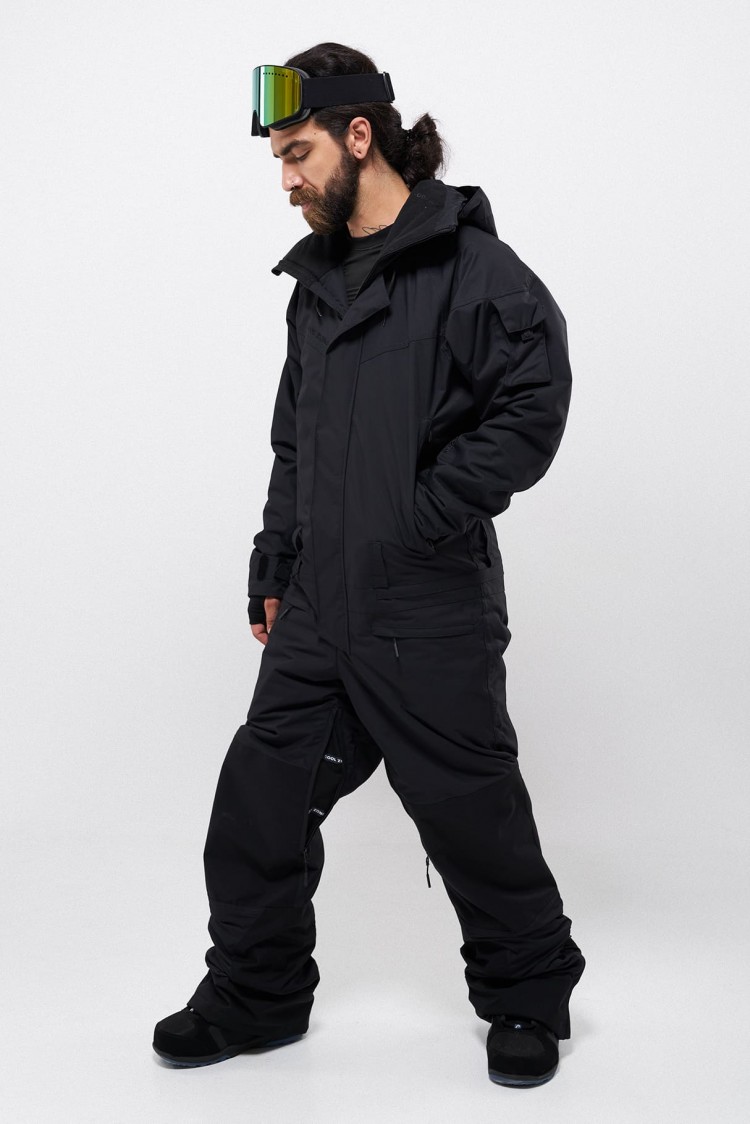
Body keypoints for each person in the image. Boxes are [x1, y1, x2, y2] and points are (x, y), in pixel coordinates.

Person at [152, 42, 586, 1088]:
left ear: (360, 136)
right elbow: (296, 440)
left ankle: (527, 995)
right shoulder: (316, 288)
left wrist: (418, 515)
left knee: (470, 810)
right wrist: (275, 558)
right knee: (258, 801)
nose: (286, 180)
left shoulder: (475, 271)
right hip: (318, 605)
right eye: (277, 161)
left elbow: (534, 405)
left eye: (297, 152)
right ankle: (257, 995)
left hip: (426, 600)